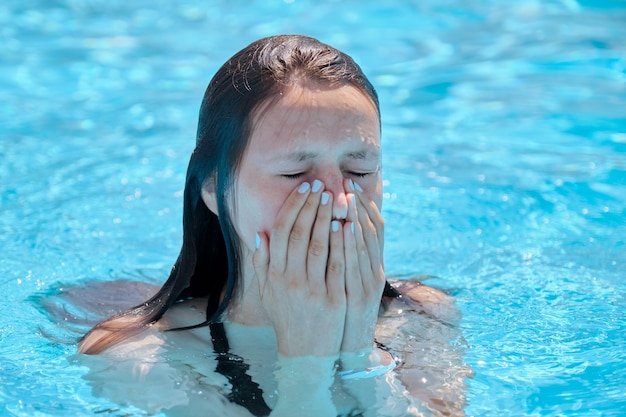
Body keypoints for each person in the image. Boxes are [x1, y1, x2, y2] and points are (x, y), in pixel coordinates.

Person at [77, 34, 467, 417]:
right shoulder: (138, 354)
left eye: (359, 169)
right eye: (295, 173)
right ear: (213, 188)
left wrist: (360, 356)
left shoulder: (422, 316)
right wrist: (306, 370)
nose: (337, 199)